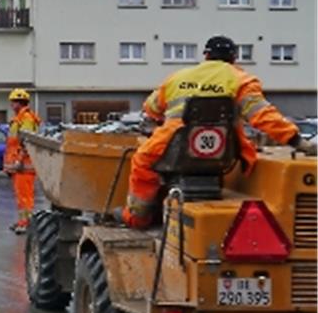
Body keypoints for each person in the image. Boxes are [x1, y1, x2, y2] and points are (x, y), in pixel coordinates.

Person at [124, 35, 317, 229]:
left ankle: (139, 218)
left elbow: (151, 108)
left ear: (206, 55)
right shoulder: (241, 79)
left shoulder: (178, 77)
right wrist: (295, 140)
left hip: (173, 144)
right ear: (233, 58)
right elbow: (263, 115)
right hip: (224, 150)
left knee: (142, 162)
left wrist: (155, 122)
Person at [4, 88, 41, 234]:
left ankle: (26, 223)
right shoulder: (19, 118)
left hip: (24, 166)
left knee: (26, 198)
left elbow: (26, 142)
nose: (12, 105)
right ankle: (22, 221)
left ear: (20, 103)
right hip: (19, 167)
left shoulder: (26, 118)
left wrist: (19, 161)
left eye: (14, 102)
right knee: (21, 197)